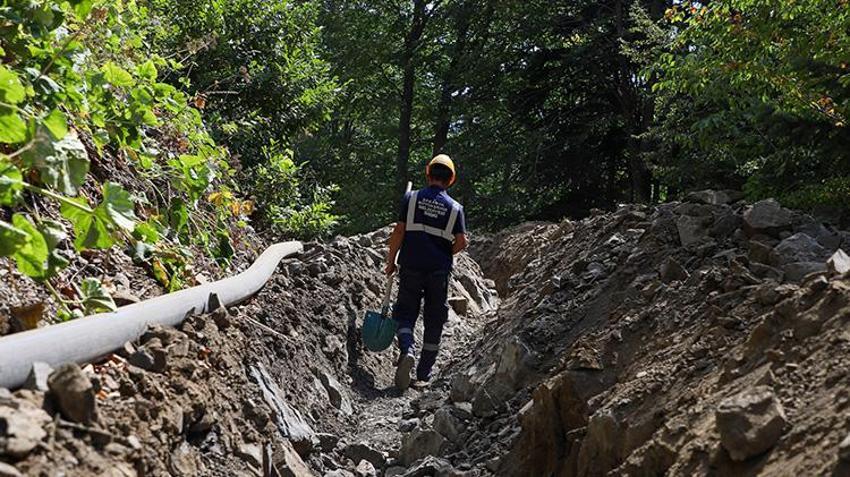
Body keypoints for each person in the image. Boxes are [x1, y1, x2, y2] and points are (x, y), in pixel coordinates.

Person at [385, 154, 468, 391]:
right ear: (451, 179)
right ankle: (423, 374)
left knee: (404, 312)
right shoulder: (455, 208)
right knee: (434, 319)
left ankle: (407, 348)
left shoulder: (410, 199)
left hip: (411, 265)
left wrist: (391, 262)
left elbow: (399, 232)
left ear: (428, 172)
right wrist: (445, 253)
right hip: (438, 271)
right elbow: (462, 242)